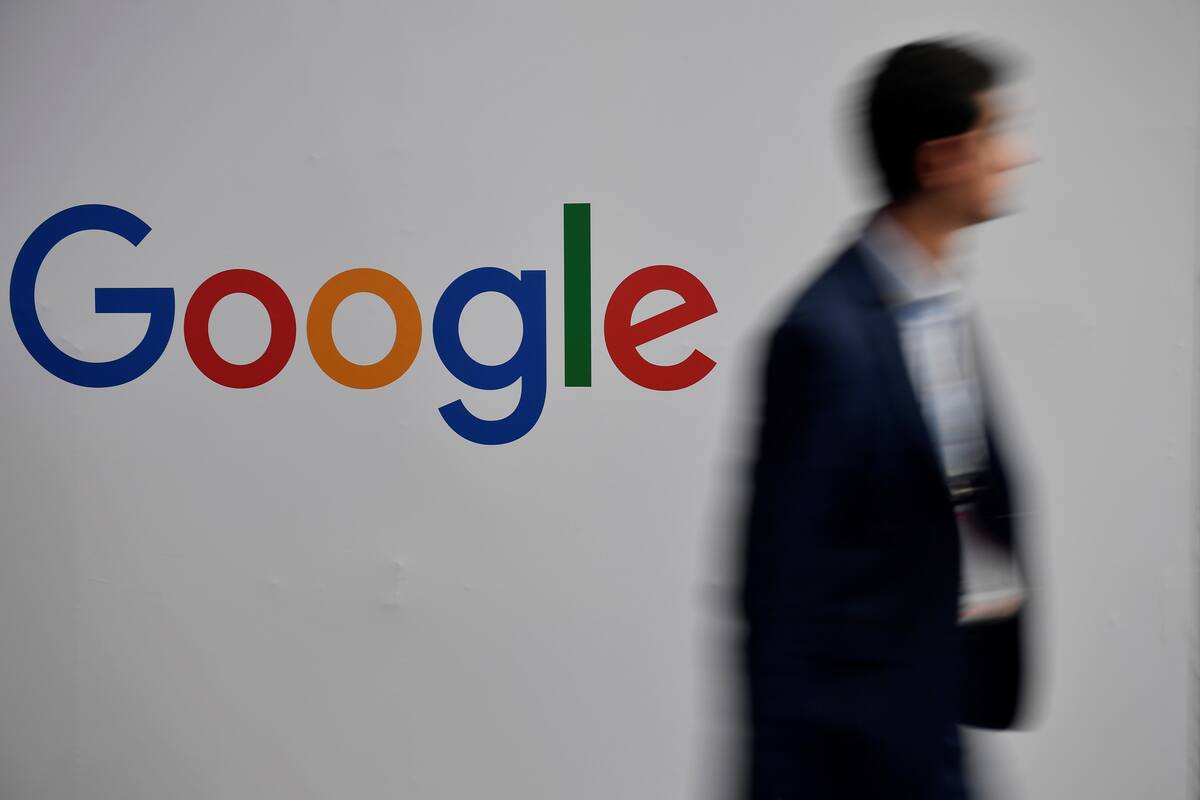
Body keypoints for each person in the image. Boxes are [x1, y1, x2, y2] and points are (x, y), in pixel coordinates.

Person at [736, 37, 1035, 798]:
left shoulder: (938, 307)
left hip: (939, 728)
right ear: (938, 162)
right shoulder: (824, 336)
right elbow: (778, 599)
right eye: (994, 136)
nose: (1015, 155)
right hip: (859, 758)